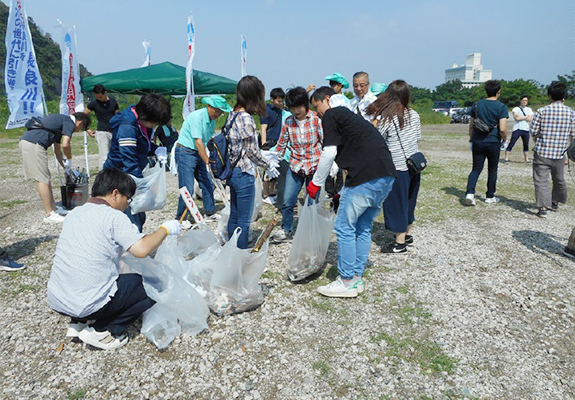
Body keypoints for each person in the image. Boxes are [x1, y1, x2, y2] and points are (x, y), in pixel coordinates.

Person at [47, 168, 182, 350]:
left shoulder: (75, 213)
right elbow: (142, 250)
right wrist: (165, 229)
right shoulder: (113, 216)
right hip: (85, 302)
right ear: (115, 194)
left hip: (59, 298)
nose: (128, 204)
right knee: (152, 285)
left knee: (87, 268)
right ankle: (102, 331)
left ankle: (77, 323)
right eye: (128, 198)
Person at [308, 86, 396, 298]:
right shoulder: (351, 117)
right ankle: (357, 278)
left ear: (326, 100)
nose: (317, 112)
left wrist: (315, 183)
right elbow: (350, 152)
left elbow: (329, 152)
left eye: (316, 106)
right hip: (385, 175)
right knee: (362, 226)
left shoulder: (332, 114)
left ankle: (346, 280)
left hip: (366, 176)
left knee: (344, 226)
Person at [367, 80, 422, 254]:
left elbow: (377, 140)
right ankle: (407, 234)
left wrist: (373, 126)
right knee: (409, 200)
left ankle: (399, 244)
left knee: (396, 203)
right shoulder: (414, 114)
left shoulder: (387, 118)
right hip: (414, 164)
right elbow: (418, 137)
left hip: (397, 167)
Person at [103, 94, 171, 231]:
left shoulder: (141, 123)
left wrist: (157, 149)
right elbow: (128, 158)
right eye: (155, 122)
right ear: (146, 116)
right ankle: (132, 249)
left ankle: (136, 246)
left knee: (139, 215)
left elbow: (142, 145)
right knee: (130, 221)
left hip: (132, 175)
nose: (155, 126)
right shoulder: (127, 127)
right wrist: (141, 187)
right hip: (119, 177)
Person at [226, 76, 279, 249]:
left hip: (232, 171)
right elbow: (251, 152)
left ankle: (230, 248)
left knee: (234, 214)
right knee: (244, 219)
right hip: (243, 172)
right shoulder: (246, 118)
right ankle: (240, 254)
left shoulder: (232, 114)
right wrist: (268, 164)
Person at [19, 112, 91, 223]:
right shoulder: (69, 122)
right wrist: (70, 158)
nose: (78, 130)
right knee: (42, 178)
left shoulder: (60, 124)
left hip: (31, 142)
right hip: (34, 143)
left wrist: (66, 167)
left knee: (46, 176)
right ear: (80, 122)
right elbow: (65, 144)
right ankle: (49, 214)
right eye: (82, 128)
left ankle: (54, 208)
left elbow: (58, 151)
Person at [272, 87, 323, 241]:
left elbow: (325, 141)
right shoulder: (288, 122)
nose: (296, 111)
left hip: (314, 167)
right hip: (295, 167)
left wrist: (331, 163)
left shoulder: (315, 119)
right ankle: (286, 229)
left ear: (305, 105)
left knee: (312, 202)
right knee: (287, 201)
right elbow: (281, 144)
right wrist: (272, 161)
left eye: (299, 107)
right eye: (293, 108)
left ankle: (309, 231)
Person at [175, 96, 231, 221]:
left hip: (198, 152)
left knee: (207, 183)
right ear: (210, 107)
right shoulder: (197, 117)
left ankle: (210, 212)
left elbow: (209, 141)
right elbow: (198, 142)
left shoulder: (212, 121)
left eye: (221, 112)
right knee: (187, 187)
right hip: (185, 151)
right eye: (218, 111)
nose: (219, 114)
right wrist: (207, 162)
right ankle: (181, 218)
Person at [530, 81, 575, 218]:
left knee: (541, 180)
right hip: (560, 153)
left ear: (550, 96)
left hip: (543, 151)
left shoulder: (542, 111)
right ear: (564, 97)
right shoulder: (571, 113)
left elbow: (533, 131)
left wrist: (540, 136)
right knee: (559, 178)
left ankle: (543, 207)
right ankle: (555, 202)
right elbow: (573, 135)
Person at [464, 80, 509, 206]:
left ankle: (470, 193)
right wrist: (505, 140)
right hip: (493, 141)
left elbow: (472, 125)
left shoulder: (477, 104)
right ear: (498, 91)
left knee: (476, 169)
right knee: (492, 169)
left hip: (478, 141)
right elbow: (502, 129)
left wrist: (471, 140)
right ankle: (490, 196)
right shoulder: (501, 107)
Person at [260, 88, 286, 204]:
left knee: (275, 168)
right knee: (267, 168)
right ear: (272, 99)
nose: (280, 103)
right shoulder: (266, 110)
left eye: (282, 101)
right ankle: (265, 193)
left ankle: (272, 191)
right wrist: (264, 145)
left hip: (278, 143)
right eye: (278, 101)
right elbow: (263, 128)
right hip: (269, 142)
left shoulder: (280, 111)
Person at [84, 85, 119, 168]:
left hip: (114, 132)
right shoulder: (93, 103)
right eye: (97, 97)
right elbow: (83, 116)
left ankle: (113, 176)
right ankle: (103, 177)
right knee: (104, 157)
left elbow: (118, 116)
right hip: (102, 132)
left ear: (105, 93)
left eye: (100, 97)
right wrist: (87, 129)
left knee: (114, 156)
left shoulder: (114, 102)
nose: (99, 99)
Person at [504, 95, 533, 163]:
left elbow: (530, 119)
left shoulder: (529, 109)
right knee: (512, 143)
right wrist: (526, 117)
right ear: (520, 101)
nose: (525, 102)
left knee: (526, 144)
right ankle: (506, 158)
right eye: (523, 100)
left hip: (526, 129)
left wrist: (522, 117)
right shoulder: (516, 109)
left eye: (526, 100)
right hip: (517, 128)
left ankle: (526, 159)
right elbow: (517, 118)